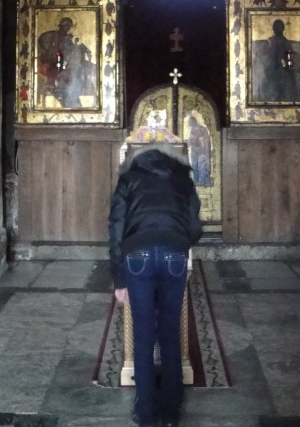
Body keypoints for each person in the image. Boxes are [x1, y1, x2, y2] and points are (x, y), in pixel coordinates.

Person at [108, 144, 203, 427]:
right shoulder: (182, 178)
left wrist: (119, 277)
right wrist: (179, 242)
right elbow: (196, 227)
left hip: (137, 257)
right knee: (171, 333)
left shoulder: (129, 178)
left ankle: (147, 414)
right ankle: (171, 412)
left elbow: (115, 227)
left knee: (143, 335)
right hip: (174, 255)